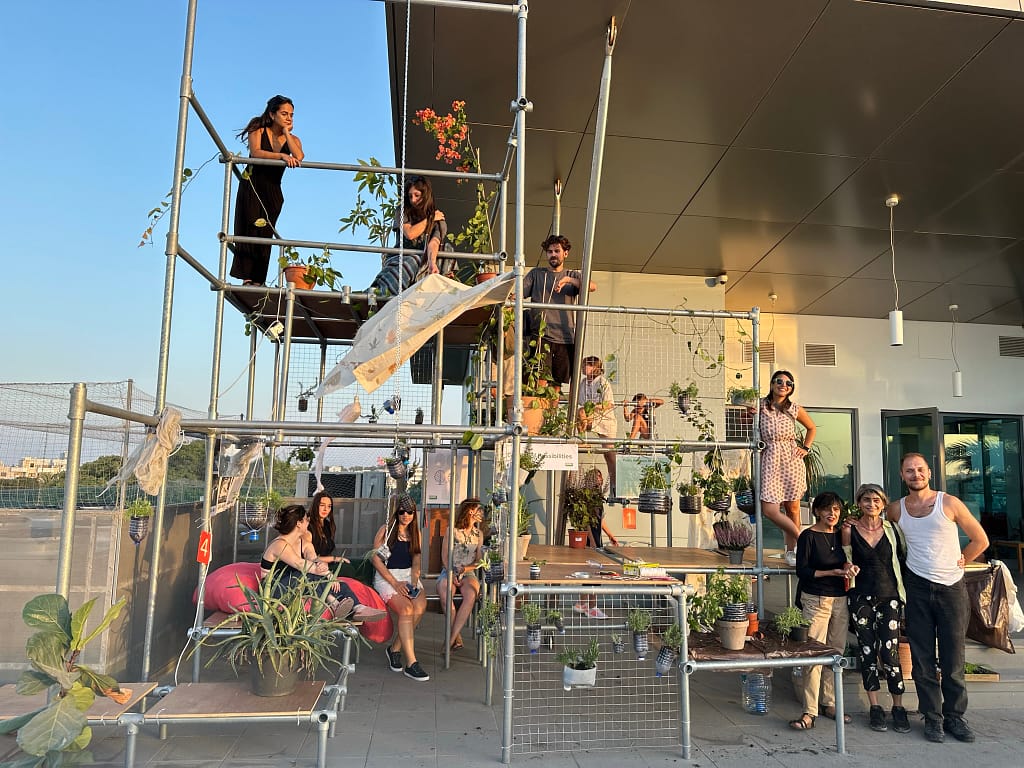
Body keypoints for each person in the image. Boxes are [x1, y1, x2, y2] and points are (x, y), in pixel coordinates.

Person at [886, 453, 989, 743]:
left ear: (929, 473)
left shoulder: (949, 503)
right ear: (902, 476)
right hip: (916, 588)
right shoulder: (896, 510)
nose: (915, 474)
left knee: (953, 658)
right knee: (922, 659)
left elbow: (980, 539)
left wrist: (963, 561)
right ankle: (932, 718)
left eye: (920, 469)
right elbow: (881, 534)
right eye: (909, 470)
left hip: (951, 588)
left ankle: (955, 716)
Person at [842, 483, 910, 733]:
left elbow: (904, 557)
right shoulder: (849, 529)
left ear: (883, 504)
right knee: (867, 651)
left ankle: (898, 706)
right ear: (859, 503)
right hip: (860, 596)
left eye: (876, 500)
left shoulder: (892, 529)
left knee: (890, 652)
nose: (871, 504)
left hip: (889, 595)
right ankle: (875, 706)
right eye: (866, 500)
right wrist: (848, 568)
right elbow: (845, 558)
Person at [789, 491, 857, 732]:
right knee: (815, 653)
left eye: (836, 509)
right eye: (827, 509)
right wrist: (831, 573)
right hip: (816, 599)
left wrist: (848, 567)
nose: (832, 513)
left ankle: (830, 702)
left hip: (840, 599)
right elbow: (803, 571)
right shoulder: (808, 536)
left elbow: (847, 559)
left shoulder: (841, 535)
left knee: (835, 651)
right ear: (817, 511)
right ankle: (810, 710)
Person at [260, 505, 384, 622]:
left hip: (296, 583)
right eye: (306, 520)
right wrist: (328, 575)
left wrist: (322, 566)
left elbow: (314, 559)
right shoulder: (279, 544)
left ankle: (358, 608)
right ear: (298, 523)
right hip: (274, 587)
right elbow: (301, 564)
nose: (308, 523)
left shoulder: (304, 543)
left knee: (334, 582)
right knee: (308, 576)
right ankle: (334, 603)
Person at [230, 95, 304, 286]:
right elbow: (256, 152)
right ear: (272, 114)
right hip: (252, 185)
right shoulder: (258, 129)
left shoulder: (293, 139)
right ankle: (247, 277)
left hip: (273, 190)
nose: (289, 118)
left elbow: (299, 156)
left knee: (265, 233)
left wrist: (286, 132)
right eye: (284, 114)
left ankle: (258, 279)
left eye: (291, 115)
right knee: (249, 227)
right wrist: (281, 156)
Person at [522, 234, 596, 391]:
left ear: (565, 253)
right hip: (541, 335)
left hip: (565, 337)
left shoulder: (572, 275)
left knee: (557, 384)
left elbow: (592, 286)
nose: (553, 255)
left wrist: (569, 281)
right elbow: (518, 293)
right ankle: (538, 407)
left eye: (557, 251)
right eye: (550, 252)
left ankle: (551, 408)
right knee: (539, 380)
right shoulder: (537, 274)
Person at [758, 370, 816, 565]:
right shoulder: (760, 405)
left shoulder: (794, 408)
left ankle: (792, 552)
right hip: (770, 457)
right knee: (770, 509)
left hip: (791, 459)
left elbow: (811, 428)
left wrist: (805, 448)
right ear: (772, 384)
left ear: (791, 388)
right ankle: (803, 539)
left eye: (788, 383)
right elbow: (745, 422)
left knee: (792, 508)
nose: (784, 385)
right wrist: (748, 415)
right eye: (779, 381)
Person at [372, 493, 430, 681]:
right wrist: (395, 583)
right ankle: (412, 663)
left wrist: (414, 580)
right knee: (406, 610)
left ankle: (394, 648)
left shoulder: (415, 532)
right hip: (388, 576)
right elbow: (376, 559)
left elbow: (417, 559)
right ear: (396, 512)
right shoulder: (386, 530)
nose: (406, 515)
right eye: (402, 511)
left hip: (408, 575)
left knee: (419, 607)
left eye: (410, 512)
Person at [369, 176, 447, 297]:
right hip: (400, 258)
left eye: (417, 195)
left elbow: (434, 242)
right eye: (410, 196)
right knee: (413, 260)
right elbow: (410, 233)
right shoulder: (401, 211)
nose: (413, 200)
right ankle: (381, 293)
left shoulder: (438, 220)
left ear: (425, 195)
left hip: (424, 261)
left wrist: (432, 263)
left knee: (446, 249)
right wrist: (429, 219)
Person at [437, 498, 484, 651]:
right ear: (470, 511)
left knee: (471, 595)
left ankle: (450, 640)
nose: (481, 513)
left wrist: (466, 569)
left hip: (468, 572)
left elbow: (479, 561)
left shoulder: (479, 534)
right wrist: (451, 572)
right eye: (478, 509)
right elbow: (444, 556)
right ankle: (456, 637)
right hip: (449, 570)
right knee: (446, 594)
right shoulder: (452, 530)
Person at [577, 356, 617, 494]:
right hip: (591, 415)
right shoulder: (583, 382)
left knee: (609, 454)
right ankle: (582, 440)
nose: (584, 367)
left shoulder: (603, 382)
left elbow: (609, 404)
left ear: (595, 367)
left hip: (605, 418)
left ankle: (615, 483)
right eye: (584, 365)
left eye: (587, 365)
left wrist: (594, 406)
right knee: (579, 413)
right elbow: (580, 401)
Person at [305, 491, 346, 566]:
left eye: (329, 506)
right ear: (315, 506)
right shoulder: (307, 525)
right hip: (312, 565)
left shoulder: (327, 524)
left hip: (326, 564)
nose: (325, 509)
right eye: (322, 505)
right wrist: (334, 559)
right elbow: (309, 557)